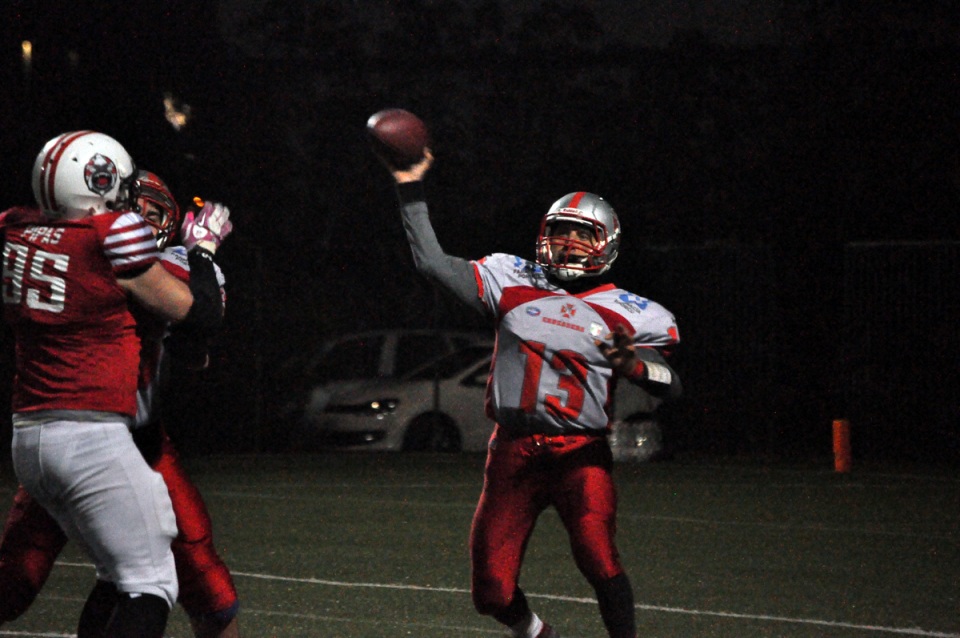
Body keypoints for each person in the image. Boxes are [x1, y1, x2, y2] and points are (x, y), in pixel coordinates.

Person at [378, 149, 681, 638]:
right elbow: (432, 263)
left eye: (582, 235)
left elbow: (671, 384)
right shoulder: (511, 278)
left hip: (579, 452)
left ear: (606, 244)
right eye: (560, 231)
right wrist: (409, 185)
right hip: (512, 449)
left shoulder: (628, 310)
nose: (568, 243)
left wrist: (636, 365)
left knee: (598, 557)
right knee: (491, 593)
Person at [0, 131, 230, 637]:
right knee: (150, 583)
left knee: (116, 571)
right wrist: (203, 250)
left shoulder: (16, 229)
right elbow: (198, 314)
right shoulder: (110, 236)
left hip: (30, 433)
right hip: (91, 431)